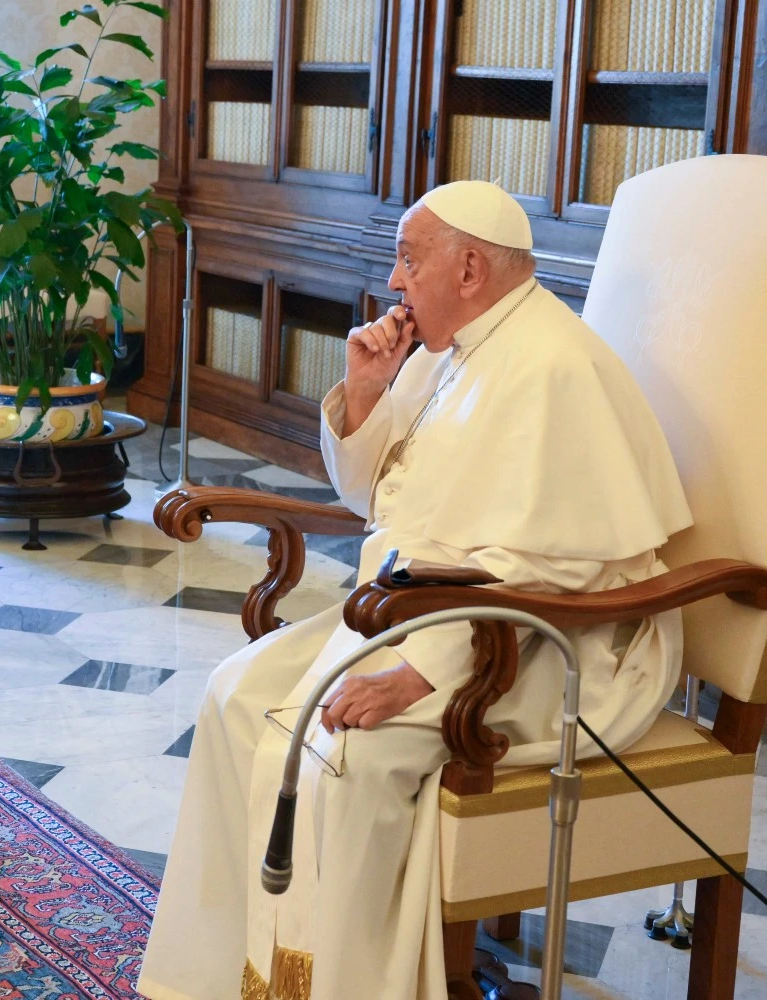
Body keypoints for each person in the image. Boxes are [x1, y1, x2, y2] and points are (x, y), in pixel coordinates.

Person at [138, 181, 693, 999]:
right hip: (418, 619)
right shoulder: (445, 351)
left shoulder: (554, 365)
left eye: (409, 259)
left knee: (348, 753)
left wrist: (420, 676)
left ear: (470, 268)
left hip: (539, 649)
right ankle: (229, 978)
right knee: (234, 697)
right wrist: (365, 391)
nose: (394, 282)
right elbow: (375, 501)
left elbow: (569, 568)